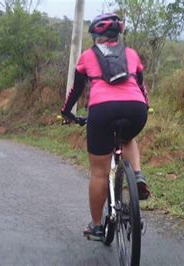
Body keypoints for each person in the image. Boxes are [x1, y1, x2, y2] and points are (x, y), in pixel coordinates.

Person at [60, 14, 150, 240]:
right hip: (136, 108)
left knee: (99, 173)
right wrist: (144, 107)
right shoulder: (131, 54)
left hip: (102, 110)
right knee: (128, 138)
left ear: (96, 36)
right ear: (117, 35)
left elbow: (76, 91)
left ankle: (97, 225)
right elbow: (141, 86)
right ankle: (137, 175)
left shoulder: (87, 56)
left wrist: (67, 112)